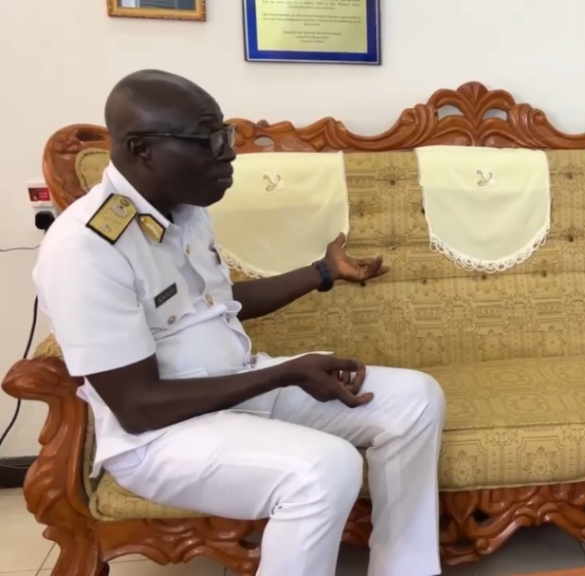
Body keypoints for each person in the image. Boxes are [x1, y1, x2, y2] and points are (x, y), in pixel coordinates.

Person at [33, 70, 445, 576]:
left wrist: (322, 272)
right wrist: (284, 373)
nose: (228, 154)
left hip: (237, 386)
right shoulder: (85, 248)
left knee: (415, 399)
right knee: (324, 469)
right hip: (161, 437)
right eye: (209, 141)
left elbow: (219, 303)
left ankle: (404, 569)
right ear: (142, 149)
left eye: (224, 136)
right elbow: (138, 406)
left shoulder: (185, 211)